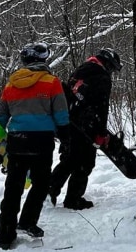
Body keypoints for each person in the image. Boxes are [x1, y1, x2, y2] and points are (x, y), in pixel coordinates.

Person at [0, 42, 71, 246]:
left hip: (17, 140)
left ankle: (5, 233)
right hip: (41, 141)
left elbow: (1, 116)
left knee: (13, 187)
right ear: (43, 60)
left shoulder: (10, 84)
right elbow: (62, 114)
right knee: (40, 184)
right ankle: (28, 222)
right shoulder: (52, 82)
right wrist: (66, 137)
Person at [49, 48, 122, 210]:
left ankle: (49, 190)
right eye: (112, 68)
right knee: (85, 162)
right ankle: (73, 199)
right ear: (108, 64)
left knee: (68, 160)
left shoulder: (80, 71)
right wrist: (100, 133)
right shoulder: (102, 77)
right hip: (86, 126)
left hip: (69, 122)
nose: (111, 72)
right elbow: (102, 107)